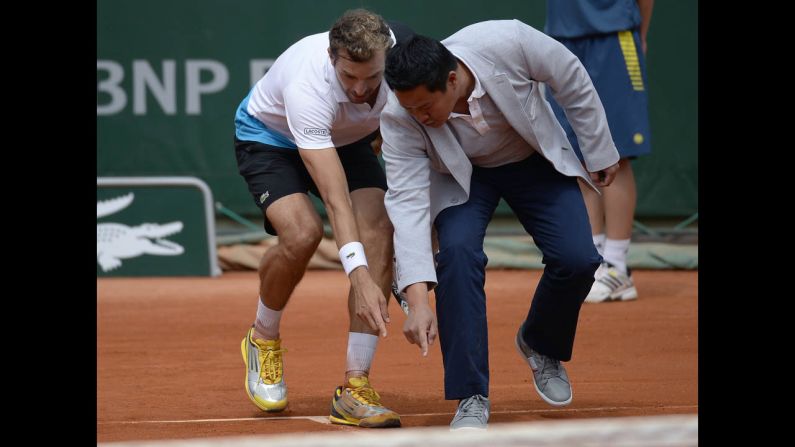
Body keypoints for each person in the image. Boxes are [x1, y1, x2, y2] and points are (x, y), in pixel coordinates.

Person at [381, 20, 620, 430]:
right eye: (410, 109)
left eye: (425, 107)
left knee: (578, 259)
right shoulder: (400, 114)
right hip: (461, 179)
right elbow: (407, 203)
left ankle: (539, 343)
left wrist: (598, 150)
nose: (418, 116)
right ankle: (471, 394)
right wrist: (418, 301)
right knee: (456, 255)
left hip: (531, 161)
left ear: (452, 79)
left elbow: (571, 78)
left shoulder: (506, 40)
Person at [233, 9, 411, 428]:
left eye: (371, 77)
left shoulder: (403, 57)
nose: (361, 88)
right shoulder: (308, 86)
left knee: (379, 230)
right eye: (349, 77)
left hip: (349, 140)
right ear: (333, 59)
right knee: (302, 234)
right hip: (270, 138)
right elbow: (336, 201)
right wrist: (359, 275)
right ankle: (263, 336)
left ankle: (355, 387)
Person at [545, 0, 654, 303]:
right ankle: (592, 264)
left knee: (614, 154)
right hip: (562, 38)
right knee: (576, 154)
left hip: (615, 35)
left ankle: (617, 267)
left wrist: (639, 33)